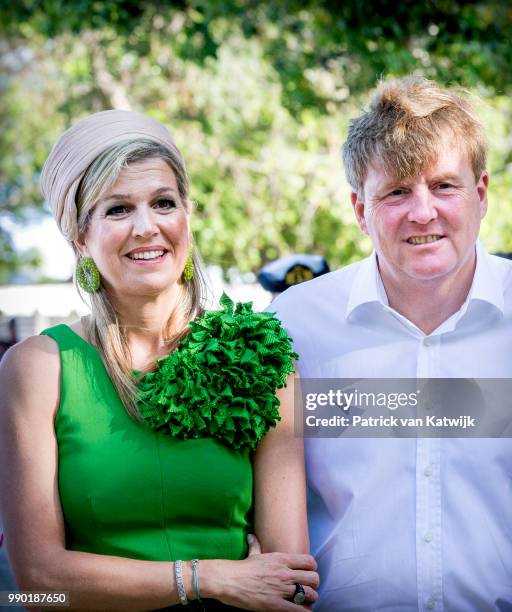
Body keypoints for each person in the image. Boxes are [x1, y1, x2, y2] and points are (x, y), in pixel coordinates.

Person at [0, 110, 319, 610]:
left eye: (163, 203)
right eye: (118, 209)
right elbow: (39, 584)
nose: (147, 227)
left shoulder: (263, 360)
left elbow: (291, 579)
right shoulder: (39, 368)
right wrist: (208, 577)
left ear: (186, 218)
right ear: (80, 237)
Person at [268, 76, 512, 610]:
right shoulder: (294, 325)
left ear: (480, 193)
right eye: (396, 191)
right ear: (359, 209)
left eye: (444, 186)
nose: (423, 213)